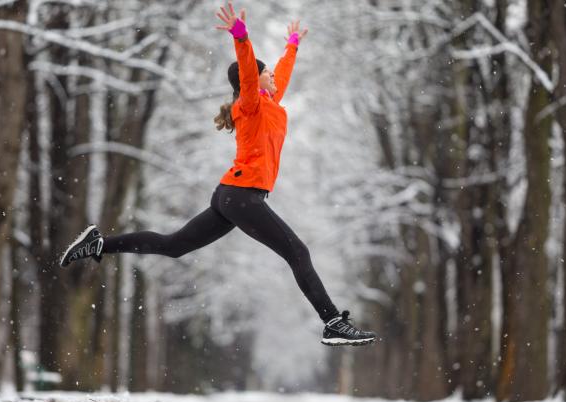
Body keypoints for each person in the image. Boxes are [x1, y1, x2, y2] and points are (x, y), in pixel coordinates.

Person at [60, 2, 376, 346]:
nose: (272, 75)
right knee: (297, 253)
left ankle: (100, 244)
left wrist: (293, 45)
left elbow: (281, 73)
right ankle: (332, 322)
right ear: (252, 82)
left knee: (174, 246)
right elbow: (249, 71)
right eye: (265, 73)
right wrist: (241, 38)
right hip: (241, 196)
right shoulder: (250, 105)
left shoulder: (270, 103)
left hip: (232, 195)